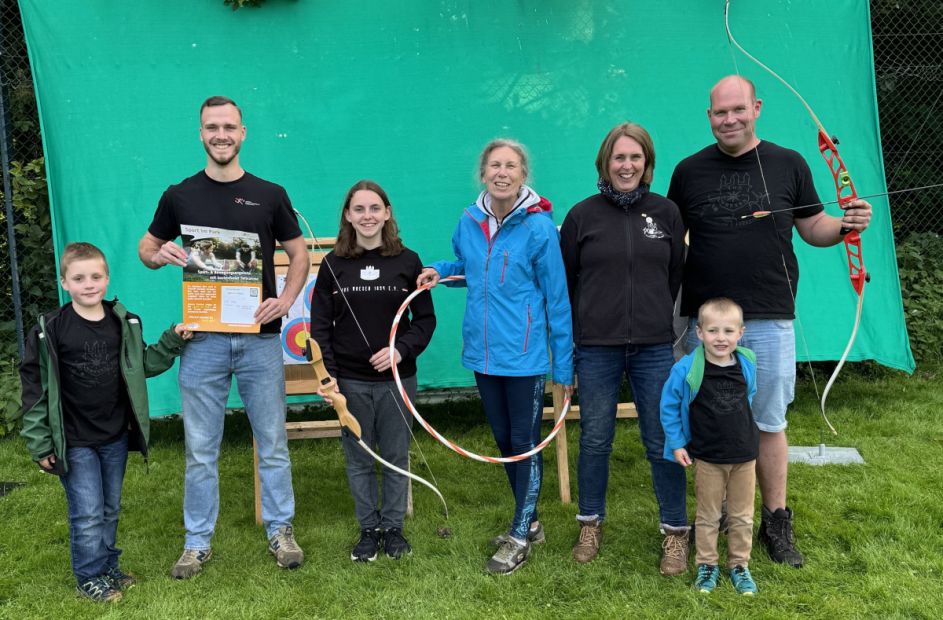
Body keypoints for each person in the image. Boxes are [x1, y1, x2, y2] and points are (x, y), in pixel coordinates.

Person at [667, 75, 873, 567]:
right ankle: (712, 515)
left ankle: (775, 522)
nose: (729, 119)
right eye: (720, 112)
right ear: (709, 115)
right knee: (703, 414)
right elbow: (670, 238)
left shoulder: (789, 163)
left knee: (768, 420)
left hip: (768, 314)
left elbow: (814, 228)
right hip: (704, 319)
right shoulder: (689, 170)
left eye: (738, 109)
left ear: (756, 108)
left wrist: (846, 225)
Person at [137, 96, 310, 578]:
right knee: (200, 448)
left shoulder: (270, 194)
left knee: (272, 441)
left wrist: (287, 301)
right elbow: (146, 249)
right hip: (202, 341)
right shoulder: (179, 195)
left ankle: (281, 530)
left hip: (259, 339)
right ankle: (196, 542)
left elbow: (298, 255)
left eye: (229, 126)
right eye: (212, 127)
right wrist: (161, 254)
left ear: (243, 132)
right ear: (200, 134)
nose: (221, 134)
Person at [418, 139, 573, 575]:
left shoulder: (539, 228)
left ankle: (521, 534)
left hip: (524, 356)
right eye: (494, 165)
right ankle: (533, 520)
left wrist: (563, 365)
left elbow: (557, 300)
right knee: (505, 443)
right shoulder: (469, 221)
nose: (502, 172)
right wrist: (439, 271)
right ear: (483, 173)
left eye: (511, 165)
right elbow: (468, 266)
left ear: (523, 174)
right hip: (483, 355)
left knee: (523, 445)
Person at [19, 242, 191, 602]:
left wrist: (172, 340)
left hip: (113, 435)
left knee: (109, 508)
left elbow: (143, 365)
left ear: (107, 278)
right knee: (87, 513)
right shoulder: (51, 328)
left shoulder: (122, 323)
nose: (89, 284)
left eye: (96, 276)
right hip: (74, 438)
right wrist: (40, 442)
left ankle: (107, 564)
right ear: (65, 282)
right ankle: (88, 577)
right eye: (79, 278)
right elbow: (36, 390)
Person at [560, 122, 688, 573]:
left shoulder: (667, 213)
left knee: (662, 439)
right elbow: (569, 282)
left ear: (647, 164)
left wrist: (655, 319)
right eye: (619, 157)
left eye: (636, 157)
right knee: (596, 439)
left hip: (654, 347)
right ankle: (590, 522)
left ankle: (675, 532)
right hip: (596, 347)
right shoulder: (581, 216)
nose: (627, 165)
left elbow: (673, 274)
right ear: (605, 163)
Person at [310, 180, 436, 562]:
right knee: (359, 458)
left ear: (387, 213)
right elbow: (319, 328)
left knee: (396, 455)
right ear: (348, 216)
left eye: (375, 208)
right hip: (349, 382)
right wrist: (327, 378)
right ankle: (368, 529)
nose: (368, 216)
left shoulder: (409, 261)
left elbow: (425, 320)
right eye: (359, 209)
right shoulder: (332, 264)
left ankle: (393, 529)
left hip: (398, 380)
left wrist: (400, 351)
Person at [660, 298, 759, 596]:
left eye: (728, 331)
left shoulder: (747, 362)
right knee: (708, 515)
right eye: (713, 330)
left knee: (742, 515)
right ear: (699, 333)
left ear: (740, 333)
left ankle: (740, 565)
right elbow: (668, 406)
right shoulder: (687, 368)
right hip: (707, 457)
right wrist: (677, 443)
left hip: (744, 455)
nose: (721, 338)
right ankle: (707, 565)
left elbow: (749, 398)